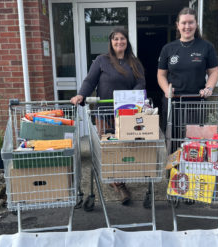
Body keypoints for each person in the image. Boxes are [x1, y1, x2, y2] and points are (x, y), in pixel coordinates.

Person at [71, 28, 146, 205]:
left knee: (124, 148)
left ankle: (120, 180)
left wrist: (130, 98)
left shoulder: (134, 63)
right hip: (104, 112)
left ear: (127, 41)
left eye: (122, 39)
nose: (119, 42)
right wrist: (81, 95)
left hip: (126, 114)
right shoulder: (101, 60)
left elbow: (140, 84)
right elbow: (90, 80)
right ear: (111, 42)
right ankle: (117, 182)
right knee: (109, 148)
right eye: (115, 39)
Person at [157, 7, 218, 132]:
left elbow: (213, 72)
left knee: (193, 141)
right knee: (172, 139)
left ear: (196, 24)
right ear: (177, 25)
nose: (187, 26)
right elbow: (161, 75)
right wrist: (166, 90)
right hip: (173, 102)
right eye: (183, 23)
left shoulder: (206, 47)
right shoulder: (168, 48)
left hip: (196, 101)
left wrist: (209, 88)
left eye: (191, 22)